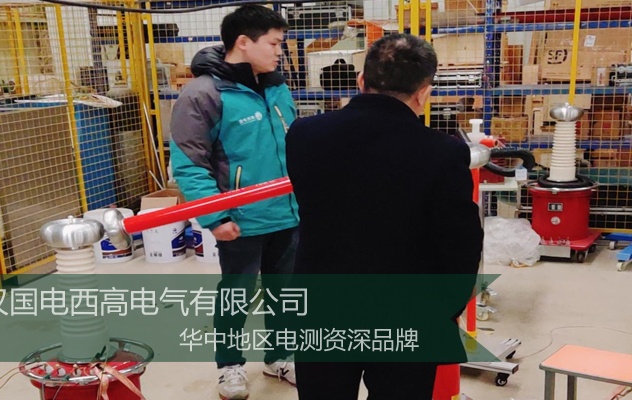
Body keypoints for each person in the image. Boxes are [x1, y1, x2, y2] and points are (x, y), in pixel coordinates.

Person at [285, 33, 484, 399]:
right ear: (423, 93)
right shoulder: (442, 153)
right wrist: (444, 310)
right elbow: (461, 245)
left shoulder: (305, 135)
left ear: (362, 80)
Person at [168, 5, 299, 399]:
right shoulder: (203, 94)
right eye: (274, 43)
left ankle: (280, 356)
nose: (280, 52)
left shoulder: (277, 87)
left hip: (288, 213)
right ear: (243, 42)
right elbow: (189, 164)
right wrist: (216, 217)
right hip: (240, 220)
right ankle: (229, 366)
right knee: (236, 296)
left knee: (286, 294)